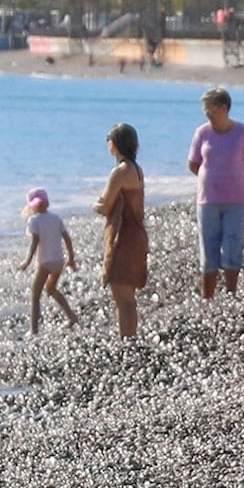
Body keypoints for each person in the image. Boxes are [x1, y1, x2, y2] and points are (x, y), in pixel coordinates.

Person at [188, 87, 244, 299]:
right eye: (205, 109)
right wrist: (210, 178)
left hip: (237, 200)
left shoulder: (243, 133)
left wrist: (241, 178)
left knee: (232, 247)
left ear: (223, 108)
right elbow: (194, 163)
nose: (207, 113)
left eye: (210, 108)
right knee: (208, 249)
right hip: (208, 200)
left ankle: (231, 294)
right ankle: (208, 298)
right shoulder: (202, 133)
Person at [94, 122, 149, 338]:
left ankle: (127, 339)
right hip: (137, 235)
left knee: (122, 298)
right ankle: (130, 338)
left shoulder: (119, 172)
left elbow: (105, 205)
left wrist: (95, 205)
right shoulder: (137, 170)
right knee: (129, 297)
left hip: (123, 238)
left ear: (114, 145)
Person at [17, 187, 78, 335]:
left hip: (45, 262)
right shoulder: (56, 218)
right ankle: (71, 316)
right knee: (51, 289)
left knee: (35, 295)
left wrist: (27, 261)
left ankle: (34, 329)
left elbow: (35, 242)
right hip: (58, 260)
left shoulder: (34, 220)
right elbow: (67, 238)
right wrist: (71, 258)